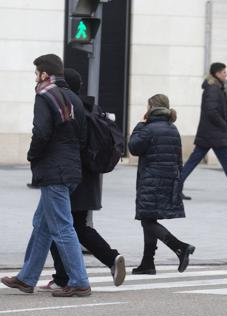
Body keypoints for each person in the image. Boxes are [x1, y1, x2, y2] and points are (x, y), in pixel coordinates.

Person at [1, 54, 91, 297]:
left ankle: (80, 281)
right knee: (42, 225)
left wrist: (32, 156)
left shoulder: (45, 96)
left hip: (54, 171)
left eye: (36, 73)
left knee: (62, 227)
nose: (35, 78)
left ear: (44, 74)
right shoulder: (73, 98)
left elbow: (40, 132)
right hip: (71, 171)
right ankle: (26, 278)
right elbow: (83, 139)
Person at [38, 68, 126, 291]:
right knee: (75, 225)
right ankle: (109, 259)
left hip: (73, 176)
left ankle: (64, 278)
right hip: (90, 178)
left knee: (61, 225)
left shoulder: (71, 109)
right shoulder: (92, 108)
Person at [129, 94, 195, 275]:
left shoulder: (148, 129)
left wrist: (139, 124)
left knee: (147, 220)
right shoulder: (172, 128)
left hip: (151, 180)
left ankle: (180, 247)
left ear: (151, 108)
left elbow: (133, 147)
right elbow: (179, 159)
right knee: (150, 219)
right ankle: (147, 263)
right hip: (168, 180)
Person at [180, 62, 227, 202]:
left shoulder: (215, 87)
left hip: (210, 133)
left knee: (195, 161)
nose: (226, 74)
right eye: (223, 72)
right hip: (213, 134)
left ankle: (175, 188)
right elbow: (211, 111)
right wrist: (222, 125)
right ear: (216, 74)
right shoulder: (213, 89)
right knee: (226, 164)